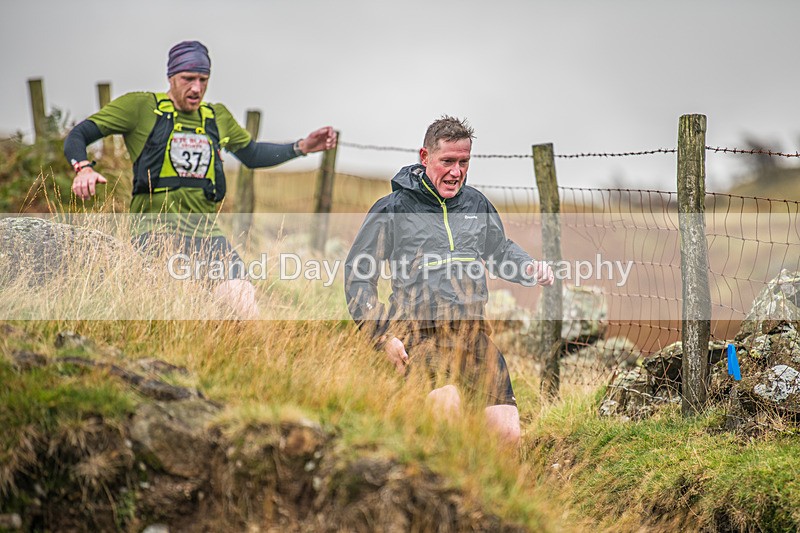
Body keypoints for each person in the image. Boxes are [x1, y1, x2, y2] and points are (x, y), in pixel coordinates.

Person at [63, 40, 337, 318]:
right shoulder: (141, 107)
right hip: (153, 232)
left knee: (244, 303)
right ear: (171, 77)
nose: (196, 88)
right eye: (188, 79)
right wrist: (83, 167)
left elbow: (252, 154)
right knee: (179, 306)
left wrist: (302, 147)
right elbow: (79, 135)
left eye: (203, 79)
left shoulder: (216, 117)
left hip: (206, 235)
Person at [344, 116, 554, 446]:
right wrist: (381, 336)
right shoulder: (393, 209)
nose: (456, 172)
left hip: (474, 337)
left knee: (508, 436)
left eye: (464, 162)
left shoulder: (477, 204)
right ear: (424, 156)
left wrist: (527, 268)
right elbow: (359, 276)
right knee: (449, 416)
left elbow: (498, 251)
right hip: (421, 337)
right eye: (448, 161)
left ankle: (494, 496)